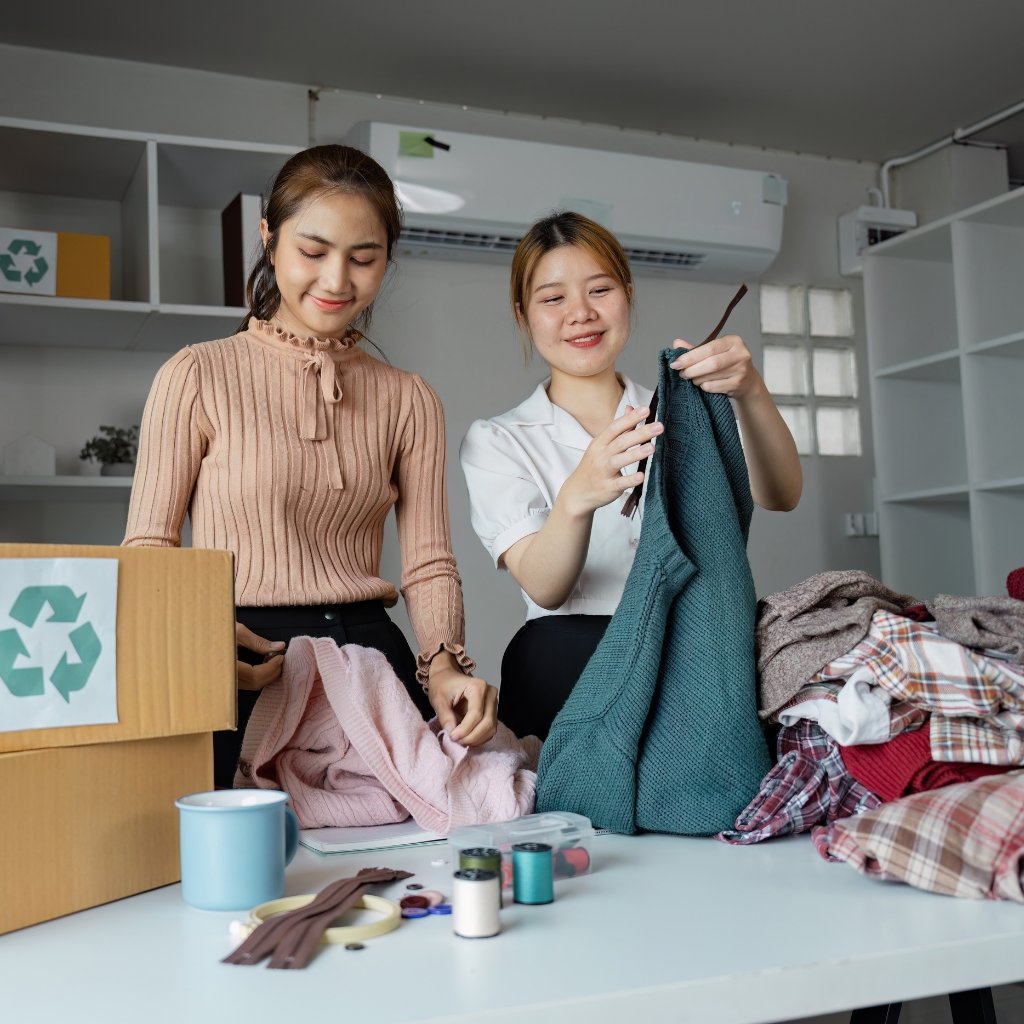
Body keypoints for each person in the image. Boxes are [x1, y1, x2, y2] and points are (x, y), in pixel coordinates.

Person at [124, 145, 498, 787]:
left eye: (363, 258)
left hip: (368, 658)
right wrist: (201, 644)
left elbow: (429, 562)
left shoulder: (409, 398)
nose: (336, 281)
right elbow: (149, 549)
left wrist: (441, 664)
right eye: (313, 250)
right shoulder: (196, 375)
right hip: (239, 657)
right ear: (268, 237)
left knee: (414, 856)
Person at [460, 211, 801, 740]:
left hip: (694, 653)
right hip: (570, 663)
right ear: (523, 314)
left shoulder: (683, 408)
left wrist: (749, 390)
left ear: (627, 293)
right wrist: (578, 495)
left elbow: (782, 494)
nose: (581, 314)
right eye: (553, 299)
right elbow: (546, 589)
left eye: (600, 289)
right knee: (547, 648)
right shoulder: (499, 439)